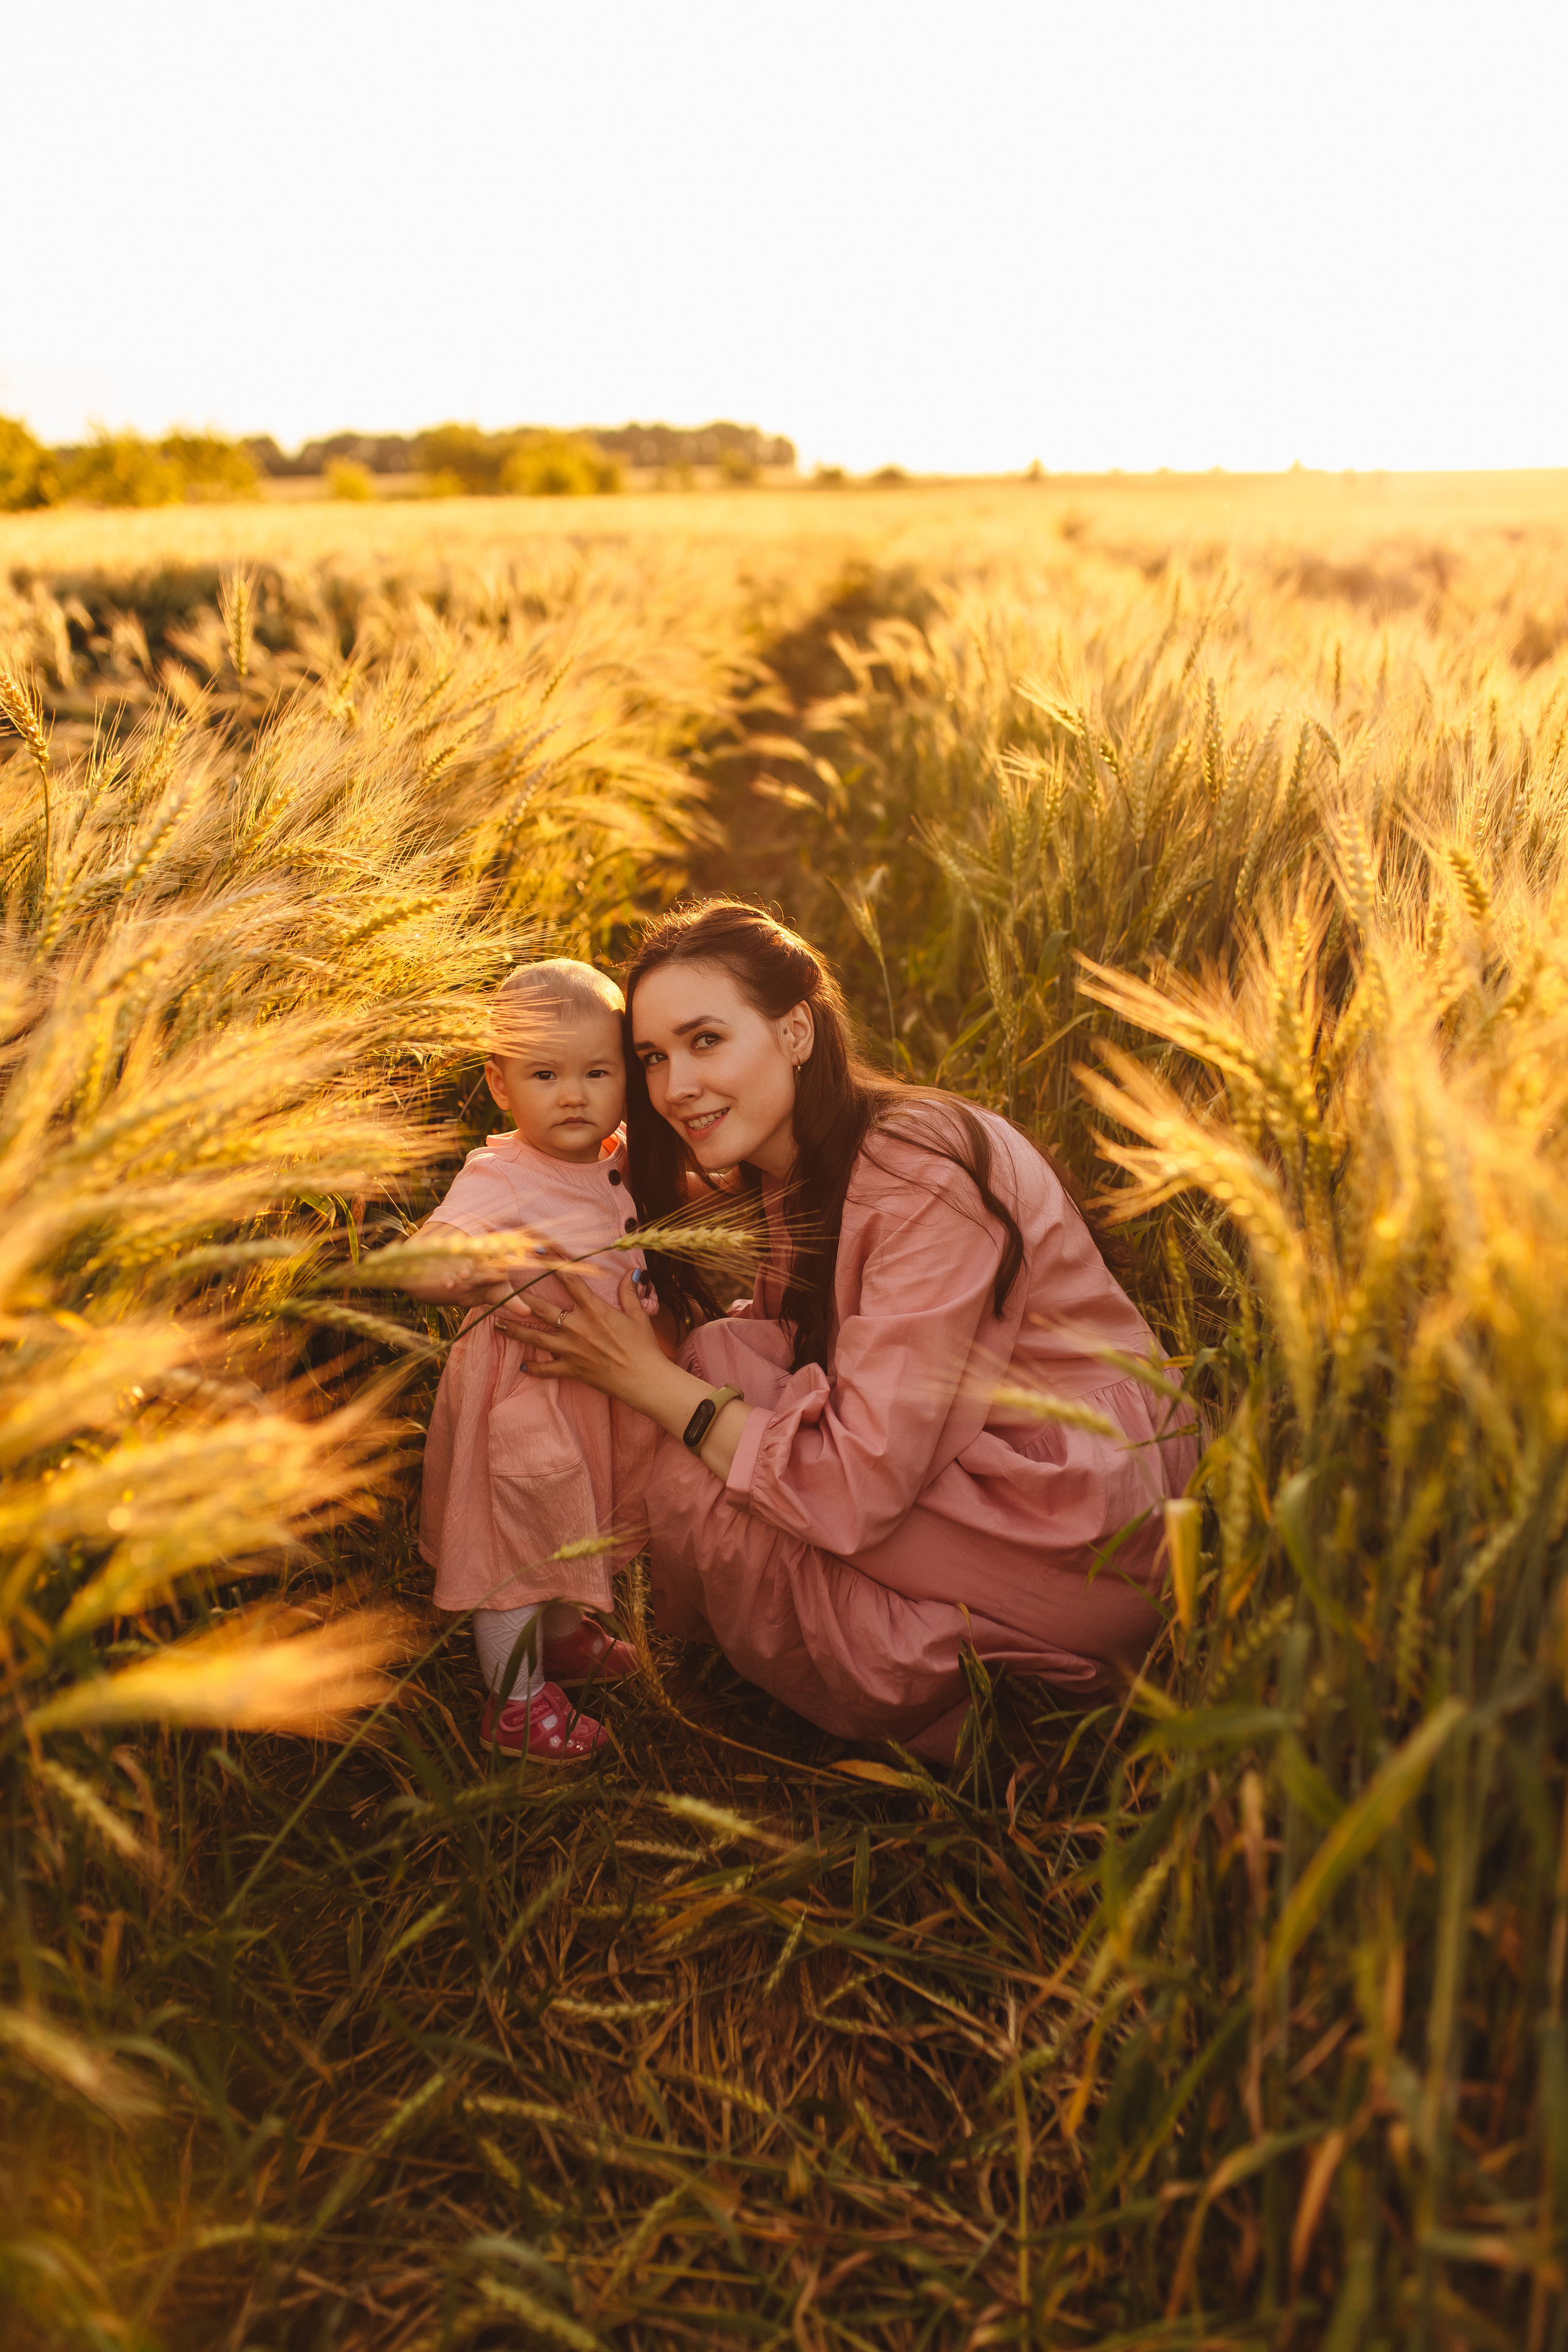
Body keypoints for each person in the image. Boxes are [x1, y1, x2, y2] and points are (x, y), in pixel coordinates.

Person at [499, 903, 1199, 1763]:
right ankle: (983, 1675)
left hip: (1083, 1525)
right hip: (1022, 1492)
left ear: (797, 1032)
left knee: (699, 1425)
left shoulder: (919, 1171)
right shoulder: (804, 1168)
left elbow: (859, 1484)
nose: (675, 1086)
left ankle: (1011, 1688)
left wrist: (647, 1381)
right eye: (652, 1058)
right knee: (725, 1364)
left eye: (706, 1040)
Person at [401, 959, 662, 1761]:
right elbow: (434, 1250)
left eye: (597, 1072)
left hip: (595, 1388)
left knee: (568, 1520)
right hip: (524, 1394)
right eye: (545, 1074)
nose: (574, 1095)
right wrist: (454, 1266)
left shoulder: (618, 1154)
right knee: (517, 1543)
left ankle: (562, 1634)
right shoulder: (500, 1176)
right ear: (501, 1084)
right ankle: (512, 1702)